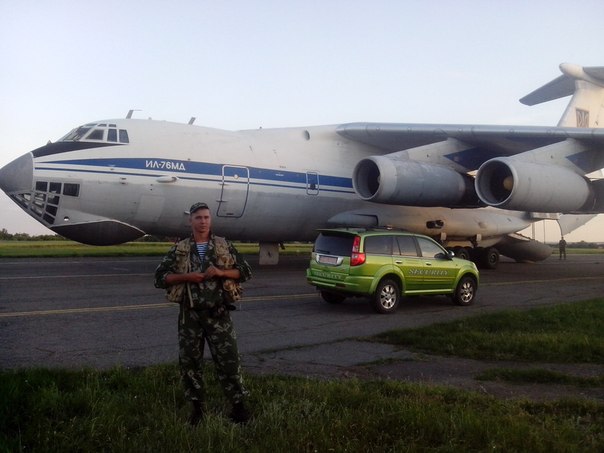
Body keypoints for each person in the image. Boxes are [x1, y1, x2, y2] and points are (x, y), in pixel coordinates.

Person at [154, 202, 252, 425]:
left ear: (211, 220)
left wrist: (221, 272)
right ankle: (197, 409)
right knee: (190, 364)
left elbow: (245, 271)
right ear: (191, 220)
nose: (203, 221)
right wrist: (187, 277)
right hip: (190, 316)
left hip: (219, 314)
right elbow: (159, 278)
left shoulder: (223, 245)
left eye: (206, 217)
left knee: (229, 361)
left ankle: (239, 408)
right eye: (198, 217)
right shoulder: (180, 248)